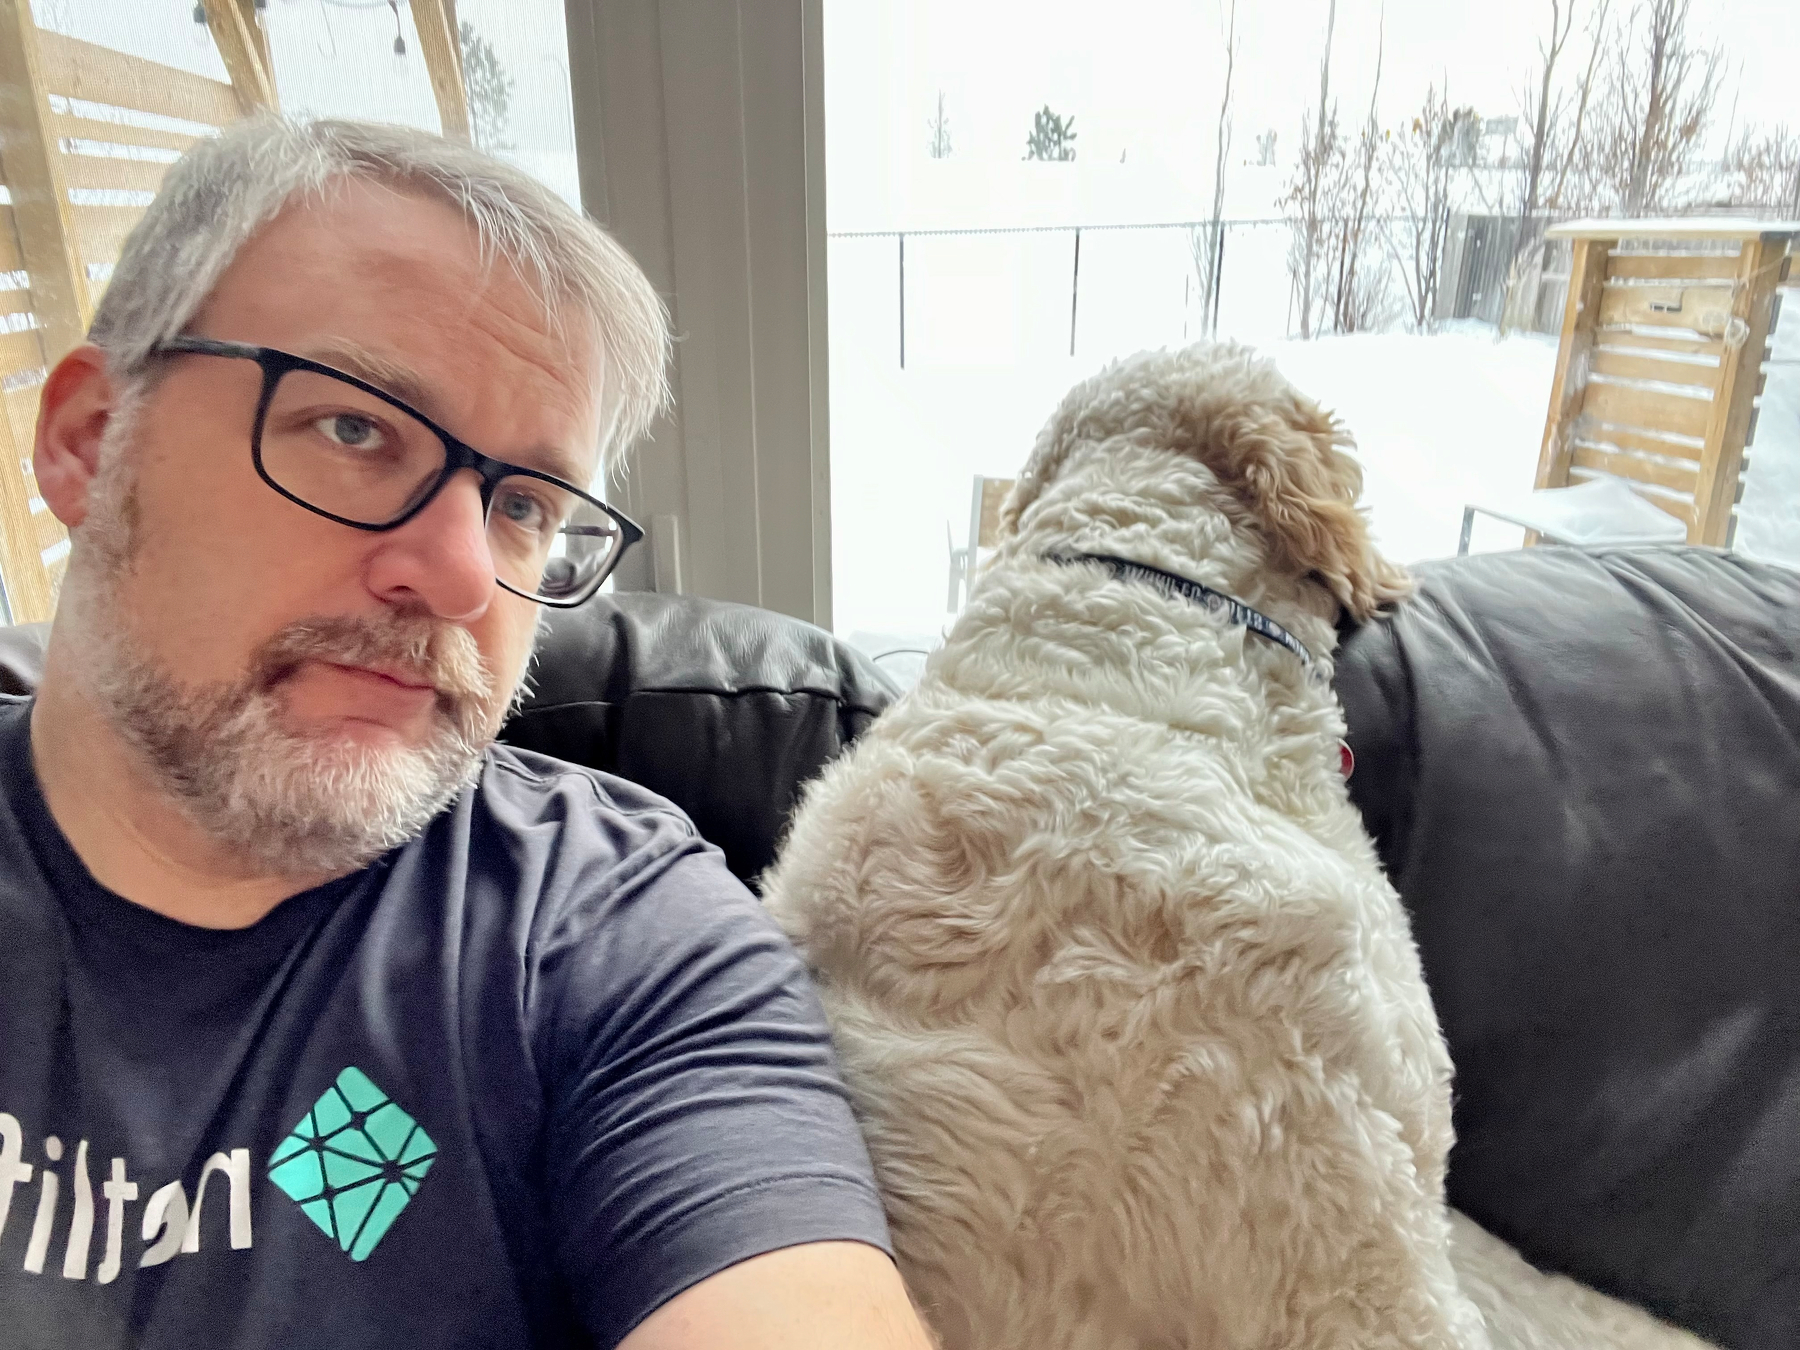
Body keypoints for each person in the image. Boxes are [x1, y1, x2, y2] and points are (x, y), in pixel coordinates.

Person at [0, 117, 931, 1350]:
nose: (455, 576)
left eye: (524, 505)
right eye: (353, 429)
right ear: (89, 442)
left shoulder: (618, 947)